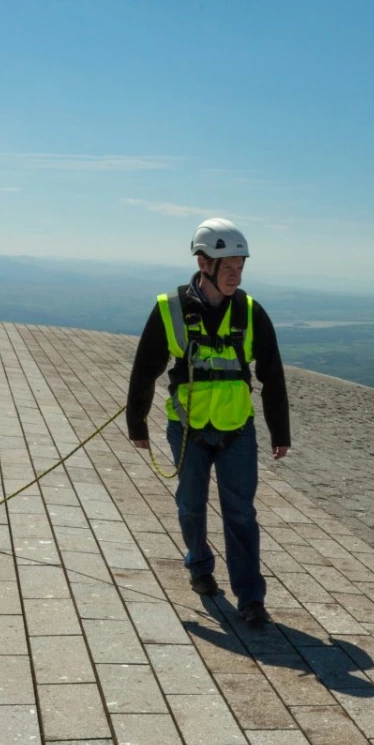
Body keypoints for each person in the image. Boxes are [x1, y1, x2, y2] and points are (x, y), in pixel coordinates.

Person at [126, 218, 290, 627]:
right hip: (189, 429)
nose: (236, 274)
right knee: (190, 506)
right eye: (228, 266)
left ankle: (251, 598)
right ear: (204, 263)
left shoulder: (251, 313)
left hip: (237, 429)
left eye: (240, 266)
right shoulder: (170, 310)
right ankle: (200, 568)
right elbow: (144, 371)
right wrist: (137, 424)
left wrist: (280, 432)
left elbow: (272, 375)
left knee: (241, 514)